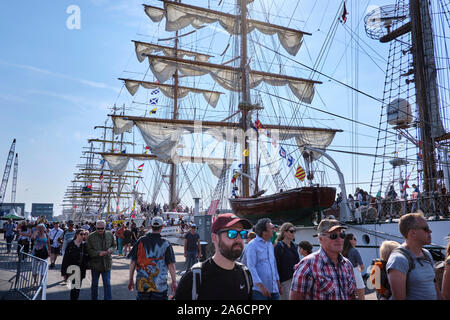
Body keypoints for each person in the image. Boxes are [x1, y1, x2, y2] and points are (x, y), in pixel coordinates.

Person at [174, 213, 253, 300]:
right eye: (232, 233)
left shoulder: (245, 274)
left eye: (243, 233)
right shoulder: (194, 278)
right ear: (214, 238)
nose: (239, 239)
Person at [290, 219, 356, 300]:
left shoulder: (347, 264)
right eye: (333, 236)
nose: (339, 239)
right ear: (320, 239)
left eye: (342, 235)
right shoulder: (307, 265)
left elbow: (352, 295)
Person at [387, 212, 442, 300]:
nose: (430, 231)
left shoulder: (426, 254)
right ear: (413, 233)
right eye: (425, 229)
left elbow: (434, 287)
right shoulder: (398, 260)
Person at [127, 216, 177, 300]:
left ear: (151, 226)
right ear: (162, 227)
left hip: (142, 284)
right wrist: (174, 282)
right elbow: (171, 265)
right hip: (160, 285)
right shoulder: (166, 243)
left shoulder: (141, 241)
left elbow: (132, 262)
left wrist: (131, 279)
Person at [242, 218, 281, 300]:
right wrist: (260, 286)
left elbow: (273, 263)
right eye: (271, 228)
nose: (274, 230)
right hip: (259, 291)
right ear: (264, 232)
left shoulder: (269, 244)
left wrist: (277, 280)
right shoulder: (252, 245)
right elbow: (251, 267)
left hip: (274, 289)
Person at [87, 220, 116, 300]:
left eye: (102, 228)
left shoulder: (110, 234)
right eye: (98, 228)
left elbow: (114, 245)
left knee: (107, 283)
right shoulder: (90, 236)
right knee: (94, 284)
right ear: (95, 227)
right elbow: (88, 250)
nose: (100, 230)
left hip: (107, 264)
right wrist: (98, 253)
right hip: (95, 264)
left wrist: (111, 249)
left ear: (105, 227)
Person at [61, 229, 89, 300]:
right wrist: (63, 272)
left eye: (84, 234)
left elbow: (88, 257)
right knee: (74, 288)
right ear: (76, 234)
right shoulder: (70, 244)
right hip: (72, 269)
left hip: (81, 269)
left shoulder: (84, 245)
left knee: (78, 287)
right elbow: (65, 259)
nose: (83, 236)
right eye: (81, 234)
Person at [274, 223, 300, 300]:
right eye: (291, 231)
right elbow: (276, 266)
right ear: (284, 232)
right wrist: (278, 283)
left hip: (294, 280)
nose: (293, 233)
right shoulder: (279, 246)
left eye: (294, 231)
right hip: (284, 281)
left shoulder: (294, 246)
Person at [342, 233, 365, 300]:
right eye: (354, 239)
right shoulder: (355, 251)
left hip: (345, 273)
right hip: (355, 272)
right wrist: (359, 271)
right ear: (350, 240)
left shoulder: (342, 251)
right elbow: (362, 266)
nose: (356, 240)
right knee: (361, 295)